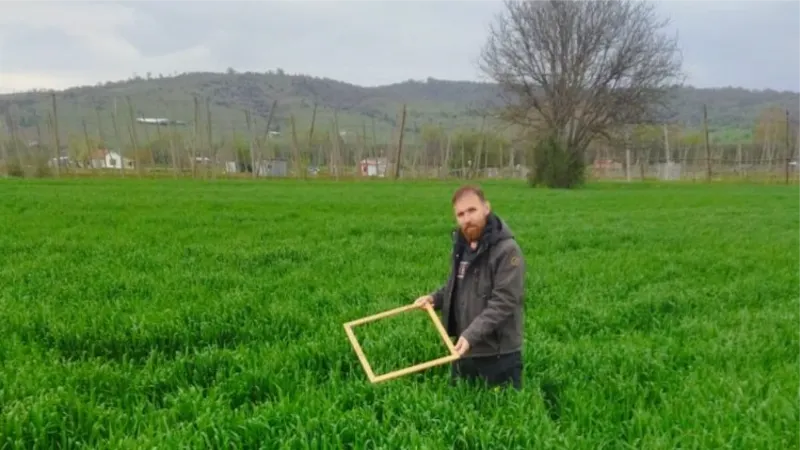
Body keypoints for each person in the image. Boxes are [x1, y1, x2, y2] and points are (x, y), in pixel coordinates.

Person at [413, 185, 525, 390]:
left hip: (497, 356)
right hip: (464, 351)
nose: (467, 219)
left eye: (472, 210)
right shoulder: (462, 247)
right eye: (461, 214)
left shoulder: (507, 250)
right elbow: (457, 285)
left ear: (486, 208)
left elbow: (504, 301)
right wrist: (434, 298)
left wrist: (471, 334)